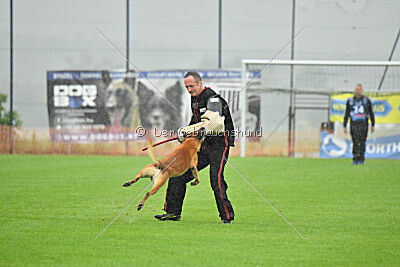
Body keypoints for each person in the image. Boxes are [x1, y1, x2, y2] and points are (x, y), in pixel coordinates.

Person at [154, 71, 235, 223]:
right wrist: (184, 133)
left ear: (199, 83)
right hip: (203, 145)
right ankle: (172, 212)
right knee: (178, 174)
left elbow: (215, 122)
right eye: (187, 87)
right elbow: (195, 123)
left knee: (215, 179)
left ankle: (227, 217)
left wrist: (196, 130)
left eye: (191, 86)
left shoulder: (213, 98)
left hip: (219, 144)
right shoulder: (195, 100)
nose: (189, 90)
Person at [343, 84, 375, 165]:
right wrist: (344, 125)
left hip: (363, 124)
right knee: (355, 141)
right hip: (354, 124)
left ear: (362, 91)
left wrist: (373, 124)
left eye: (359, 90)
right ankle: (355, 159)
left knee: (362, 141)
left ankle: (361, 159)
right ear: (355, 90)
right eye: (357, 90)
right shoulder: (350, 101)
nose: (358, 91)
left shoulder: (366, 100)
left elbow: (371, 113)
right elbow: (346, 113)